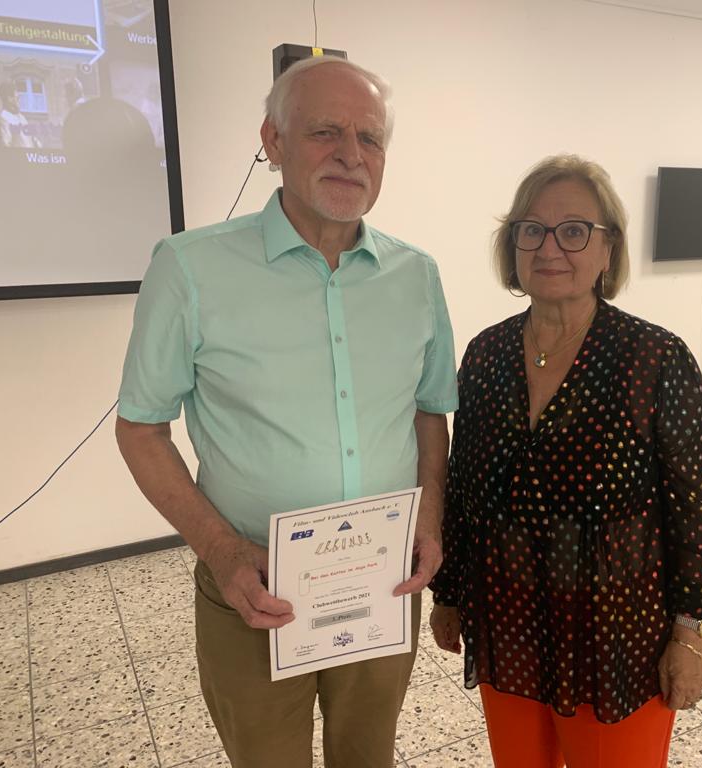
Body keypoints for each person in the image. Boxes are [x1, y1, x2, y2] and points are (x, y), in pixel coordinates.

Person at [116, 57, 457, 768]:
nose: (351, 154)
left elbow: (430, 413)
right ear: (272, 141)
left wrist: (429, 515)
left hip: (382, 579)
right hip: (254, 583)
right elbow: (141, 430)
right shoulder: (191, 268)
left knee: (368, 755)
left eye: (370, 138)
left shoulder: (416, 276)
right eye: (325, 131)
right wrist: (222, 551)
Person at [429, 155, 702, 768]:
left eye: (573, 231)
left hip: (617, 639)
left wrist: (691, 632)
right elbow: (462, 489)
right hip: (508, 624)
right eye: (532, 230)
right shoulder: (486, 355)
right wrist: (449, 592)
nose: (550, 248)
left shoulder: (654, 358)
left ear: (607, 250)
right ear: (512, 245)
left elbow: (694, 506)